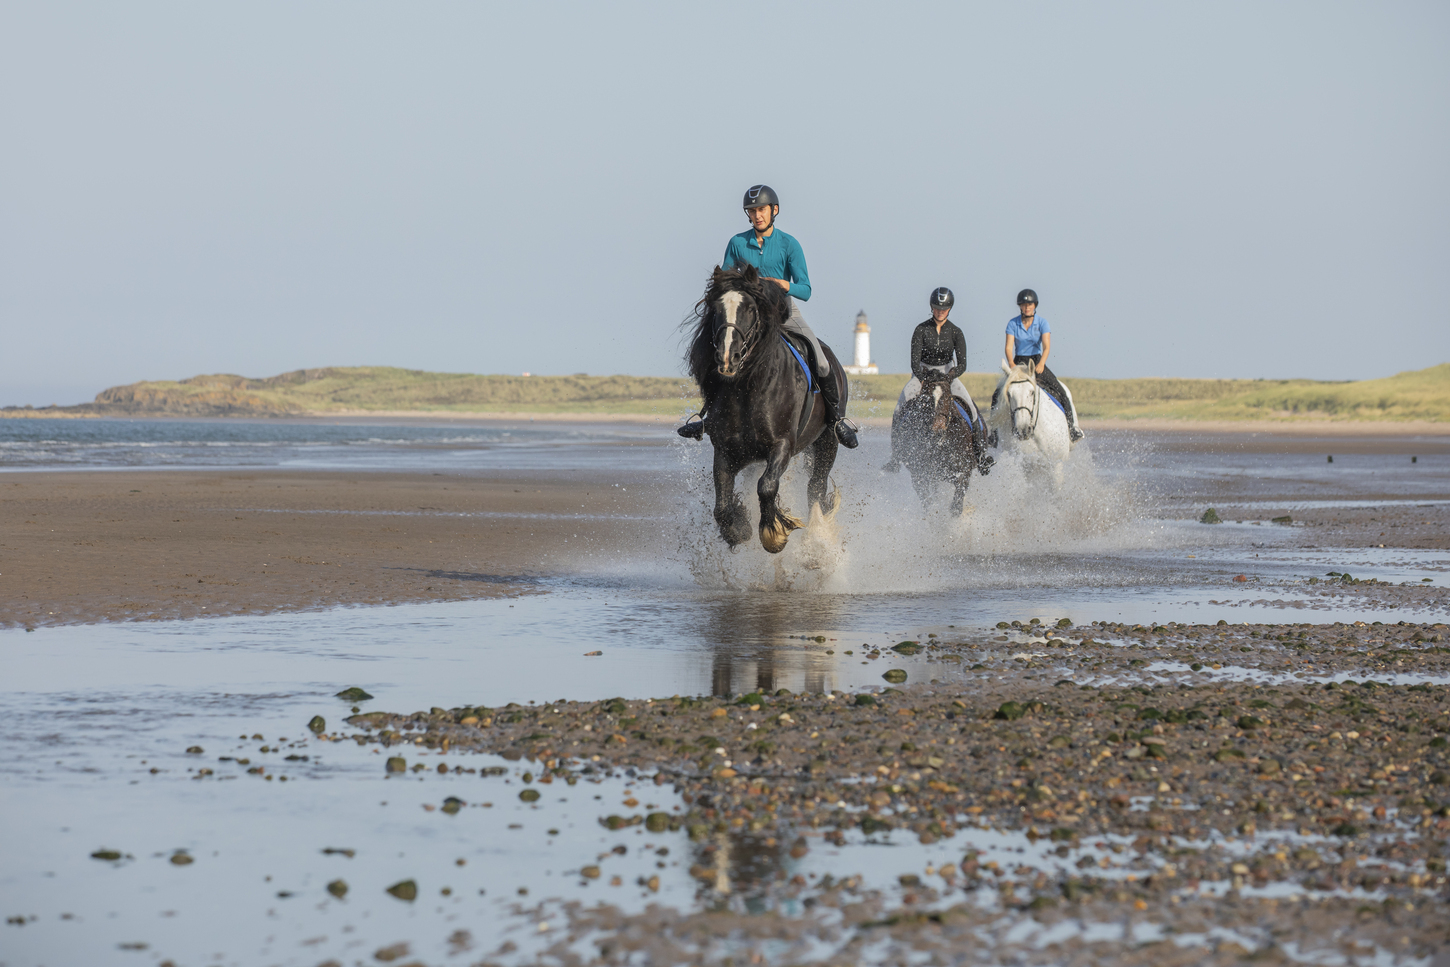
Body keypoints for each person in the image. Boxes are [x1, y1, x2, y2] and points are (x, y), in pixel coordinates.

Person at [678, 185, 858, 448]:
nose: (757, 215)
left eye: (761, 209)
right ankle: (706, 417)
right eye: (751, 211)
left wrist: (784, 285)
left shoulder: (789, 244)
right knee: (719, 354)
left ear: (774, 210)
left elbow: (805, 289)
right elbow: (727, 283)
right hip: (746, 317)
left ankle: (837, 420)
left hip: (783, 312)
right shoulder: (737, 243)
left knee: (820, 360)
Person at [890, 286, 992, 471]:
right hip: (923, 375)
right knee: (899, 409)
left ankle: (980, 455)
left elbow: (962, 364)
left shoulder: (956, 332)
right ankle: (895, 458)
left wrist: (950, 376)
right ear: (932, 307)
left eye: (944, 309)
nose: (940, 312)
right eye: (937, 308)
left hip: (947, 375)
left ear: (949, 309)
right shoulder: (920, 330)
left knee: (971, 408)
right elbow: (914, 362)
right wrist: (923, 378)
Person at [995, 288, 1084, 442]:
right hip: (1018, 362)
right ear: (1020, 306)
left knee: (1061, 390)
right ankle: (994, 434)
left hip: (1036, 361)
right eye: (1024, 304)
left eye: (1030, 304)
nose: (1027, 307)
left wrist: (1042, 363)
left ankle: (1072, 428)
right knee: (997, 394)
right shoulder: (1012, 323)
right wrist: (1011, 365)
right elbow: (1008, 347)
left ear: (1035, 305)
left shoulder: (1042, 323)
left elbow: (1047, 346)